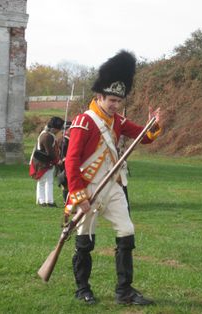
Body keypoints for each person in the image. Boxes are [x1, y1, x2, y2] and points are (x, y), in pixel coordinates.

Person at [64, 51, 161, 305]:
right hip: (89, 188)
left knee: (127, 231)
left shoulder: (117, 120)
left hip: (113, 186)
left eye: (119, 100)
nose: (115, 105)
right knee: (85, 239)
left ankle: (124, 291)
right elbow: (71, 161)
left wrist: (153, 123)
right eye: (111, 100)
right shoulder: (84, 122)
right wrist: (79, 194)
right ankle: (82, 289)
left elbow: (144, 137)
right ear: (99, 97)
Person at [29, 116, 64, 207]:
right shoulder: (47, 136)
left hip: (40, 162)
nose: (58, 131)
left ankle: (42, 201)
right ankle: (49, 201)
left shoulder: (45, 134)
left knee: (42, 182)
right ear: (54, 128)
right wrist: (57, 161)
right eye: (58, 129)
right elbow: (50, 152)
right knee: (48, 181)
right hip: (44, 163)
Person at [57, 121, 72, 204]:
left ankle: (67, 199)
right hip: (63, 164)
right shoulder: (63, 140)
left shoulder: (68, 139)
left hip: (67, 162)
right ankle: (65, 200)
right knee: (65, 183)